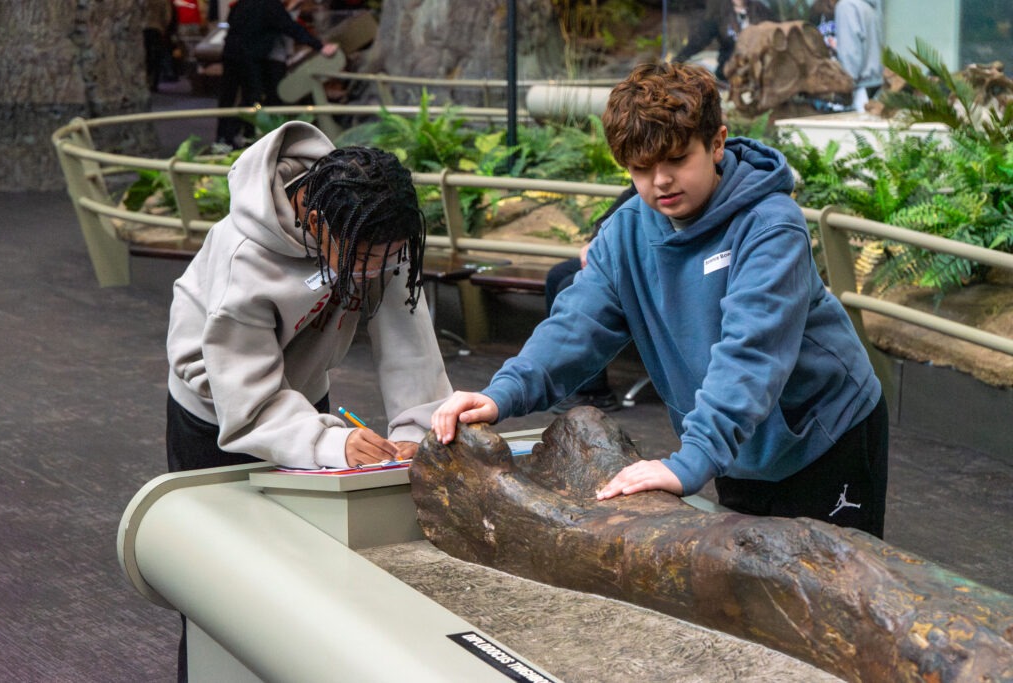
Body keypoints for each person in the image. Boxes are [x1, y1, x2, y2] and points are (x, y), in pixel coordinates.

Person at [432, 62, 888, 540]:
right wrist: (499, 394)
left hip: (827, 436)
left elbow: (751, 353)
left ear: (716, 144)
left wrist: (692, 461)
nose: (660, 181)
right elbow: (575, 326)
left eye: (675, 160)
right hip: (739, 446)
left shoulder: (772, 225)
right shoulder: (625, 232)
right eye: (641, 168)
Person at [166, 120, 452, 680]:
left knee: (303, 576)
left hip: (301, 400)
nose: (375, 270)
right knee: (217, 586)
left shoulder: (373, 229)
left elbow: (410, 348)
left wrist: (420, 436)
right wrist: (329, 441)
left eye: (387, 258)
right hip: (216, 413)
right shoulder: (242, 260)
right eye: (364, 259)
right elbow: (247, 405)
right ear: (315, 222)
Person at [546, 185, 637, 414]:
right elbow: (613, 214)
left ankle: (594, 392)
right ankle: (567, 376)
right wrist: (595, 242)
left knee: (571, 286)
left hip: (642, 261)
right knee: (556, 275)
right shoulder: (641, 183)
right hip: (617, 253)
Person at [216, 0, 338, 146]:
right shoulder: (271, 5)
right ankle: (248, 136)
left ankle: (223, 138)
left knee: (228, 98)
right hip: (251, 57)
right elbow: (290, 27)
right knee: (252, 98)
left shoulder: (242, 3)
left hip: (231, 54)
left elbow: (231, 21)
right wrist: (319, 46)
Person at [672, 0, 773, 82]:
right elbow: (699, 40)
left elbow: (775, 32)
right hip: (729, 72)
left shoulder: (760, 9)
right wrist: (678, 59)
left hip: (758, 72)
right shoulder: (720, 11)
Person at [834, 0, 883, 112]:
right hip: (875, 85)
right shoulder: (870, 6)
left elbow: (850, 52)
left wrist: (845, 84)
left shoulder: (846, 6)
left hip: (859, 90)